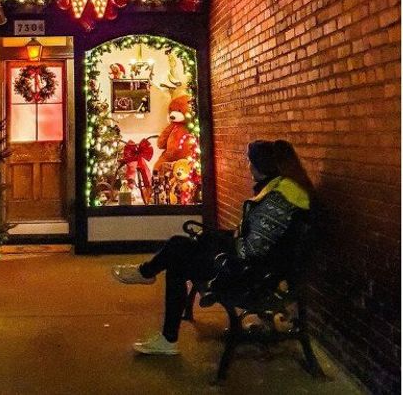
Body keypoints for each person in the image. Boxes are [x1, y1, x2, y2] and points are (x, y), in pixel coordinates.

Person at [112, 139, 311, 355]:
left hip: (247, 274)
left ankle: (153, 295)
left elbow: (251, 250)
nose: (248, 166)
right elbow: (255, 242)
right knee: (179, 245)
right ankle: (148, 278)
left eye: (249, 162)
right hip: (251, 266)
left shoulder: (278, 199)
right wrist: (222, 239)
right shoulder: (282, 191)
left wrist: (225, 243)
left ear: (259, 167)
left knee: (177, 259)